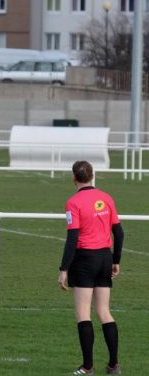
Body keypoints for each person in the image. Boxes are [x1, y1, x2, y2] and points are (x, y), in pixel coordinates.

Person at [58, 161, 124, 376]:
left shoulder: (73, 202)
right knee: (104, 312)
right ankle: (114, 365)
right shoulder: (107, 198)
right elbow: (120, 233)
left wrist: (63, 269)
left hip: (85, 259)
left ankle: (87, 367)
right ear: (92, 175)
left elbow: (72, 238)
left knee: (83, 314)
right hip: (105, 257)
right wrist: (116, 260)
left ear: (73, 178)